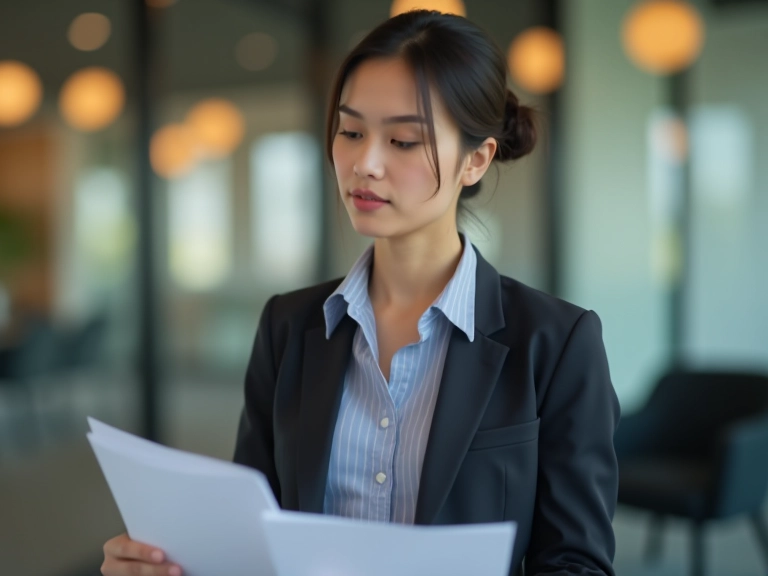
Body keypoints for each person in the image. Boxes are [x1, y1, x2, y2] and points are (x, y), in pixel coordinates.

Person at [101, 9, 620, 576]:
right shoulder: (289, 325)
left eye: (402, 140)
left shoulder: (556, 342)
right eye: (350, 132)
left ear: (476, 159)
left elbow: (577, 564)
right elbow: (253, 537)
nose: (364, 164)